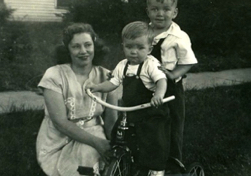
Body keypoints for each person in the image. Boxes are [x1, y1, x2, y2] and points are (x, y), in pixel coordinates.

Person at [86, 21, 170, 176]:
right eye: (129, 47)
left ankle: (156, 169)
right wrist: (97, 87)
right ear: (123, 46)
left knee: (153, 140)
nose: (133, 52)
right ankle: (126, 161)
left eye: (140, 47)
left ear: (149, 49)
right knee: (119, 135)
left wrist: (158, 95)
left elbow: (161, 81)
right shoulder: (122, 65)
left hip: (151, 111)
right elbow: (112, 83)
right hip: (131, 111)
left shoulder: (150, 64)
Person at [36, 23, 119, 176]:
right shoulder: (54, 75)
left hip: (95, 134)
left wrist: (114, 145)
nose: (83, 51)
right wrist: (97, 143)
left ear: (95, 45)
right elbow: (60, 122)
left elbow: (111, 121)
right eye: (76, 47)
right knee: (90, 154)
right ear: (67, 49)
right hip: (59, 140)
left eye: (88, 45)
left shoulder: (107, 77)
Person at [146, 0, 198, 174]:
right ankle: (148, 162)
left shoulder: (178, 37)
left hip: (170, 90)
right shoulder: (145, 32)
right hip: (146, 85)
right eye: (155, 9)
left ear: (174, 12)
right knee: (149, 125)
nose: (160, 13)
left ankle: (173, 166)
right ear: (148, 11)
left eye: (166, 9)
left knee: (171, 127)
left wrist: (173, 74)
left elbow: (188, 61)